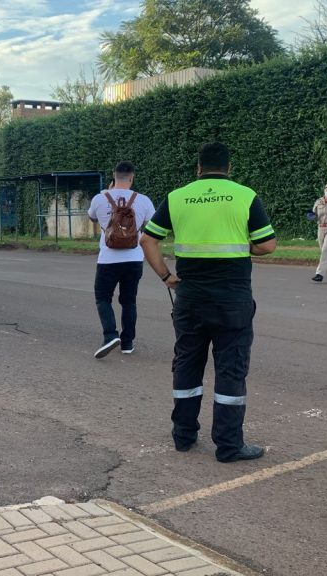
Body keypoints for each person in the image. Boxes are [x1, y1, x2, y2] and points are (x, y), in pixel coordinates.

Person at [140, 142, 277, 463]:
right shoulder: (245, 196)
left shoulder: (177, 197)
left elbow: (148, 239)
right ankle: (229, 445)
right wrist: (246, 248)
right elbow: (268, 245)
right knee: (231, 371)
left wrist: (166, 276)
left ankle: (183, 436)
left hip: (189, 299)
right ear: (229, 168)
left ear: (198, 168)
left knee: (187, 364)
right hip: (232, 301)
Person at [87, 161, 156, 359]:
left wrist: (107, 195)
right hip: (134, 258)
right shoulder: (143, 200)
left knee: (103, 298)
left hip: (108, 259)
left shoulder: (100, 198)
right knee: (129, 302)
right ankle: (127, 343)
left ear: (113, 176)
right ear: (132, 177)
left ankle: (110, 335)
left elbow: (92, 218)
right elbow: (151, 225)